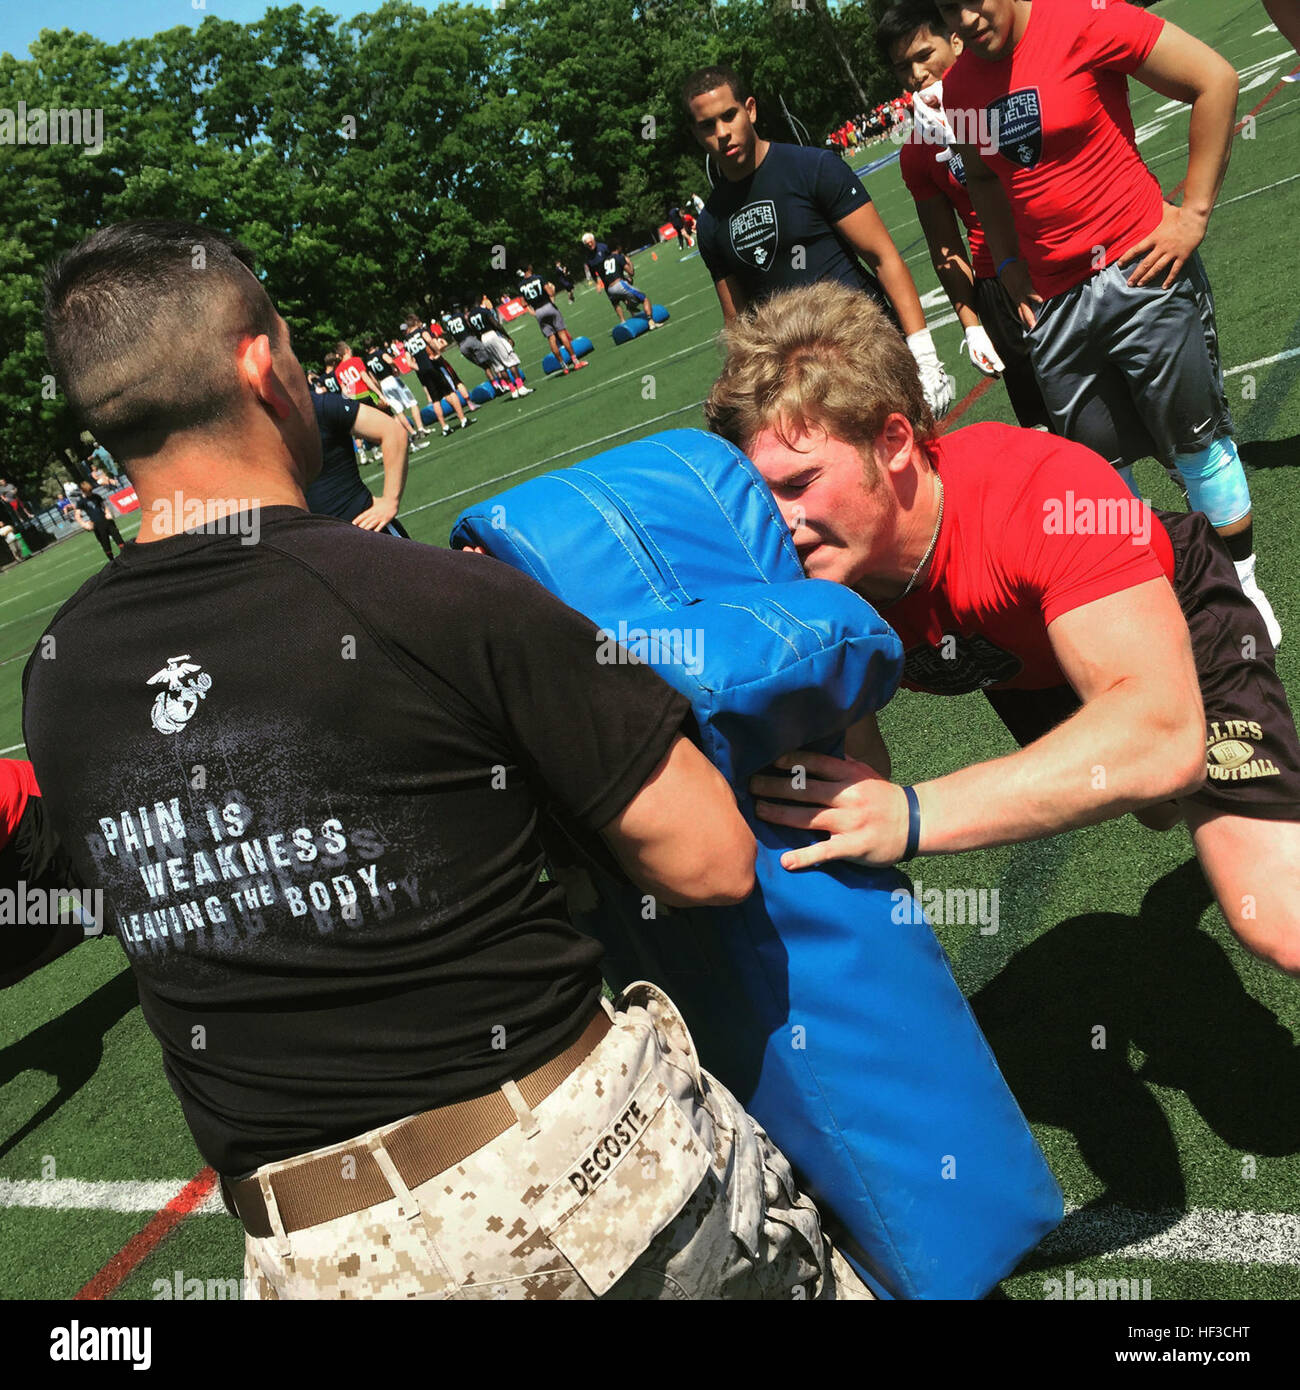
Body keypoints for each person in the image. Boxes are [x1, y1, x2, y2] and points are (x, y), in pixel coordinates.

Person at [29, 218, 870, 1302]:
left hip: (312, 1255)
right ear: (259, 364)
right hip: (569, 1183)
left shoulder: (57, 673)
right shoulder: (428, 596)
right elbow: (705, 858)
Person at [704, 283, 1300, 980]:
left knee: (1273, 910)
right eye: (758, 492)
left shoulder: (1043, 495)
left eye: (799, 483)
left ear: (895, 440)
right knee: (1156, 808)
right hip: (1020, 660)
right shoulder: (824, 569)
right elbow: (859, 770)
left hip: (1158, 621)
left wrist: (913, 816)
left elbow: (1161, 739)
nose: (776, 520)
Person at [938, 0, 1281, 645]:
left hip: (1141, 270)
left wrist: (1193, 213)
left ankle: (1243, 591)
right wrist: (1007, 260)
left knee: (1197, 445)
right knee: (1099, 480)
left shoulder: (1083, 18)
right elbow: (982, 178)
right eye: (943, 9)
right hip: (1055, 308)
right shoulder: (958, 88)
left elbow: (1216, 80)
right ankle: (1158, 609)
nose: (963, 18)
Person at [682, 64, 955, 418]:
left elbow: (884, 258)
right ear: (696, 133)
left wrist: (924, 356)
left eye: (729, 116)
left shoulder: (814, 168)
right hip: (800, 386)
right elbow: (738, 324)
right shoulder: (711, 222)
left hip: (866, 354)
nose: (722, 132)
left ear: (749, 109)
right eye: (707, 125)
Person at [879, 0, 1051, 429]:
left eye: (924, 56)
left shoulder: (1009, 86)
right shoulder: (917, 151)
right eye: (903, 67)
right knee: (1050, 428)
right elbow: (945, 246)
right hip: (1001, 287)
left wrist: (965, 130)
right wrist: (972, 324)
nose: (916, 74)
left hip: (1056, 250)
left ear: (955, 40)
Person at [309, 383, 411, 537]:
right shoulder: (261, 435)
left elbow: (393, 432)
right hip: (315, 547)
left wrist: (390, 501)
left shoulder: (317, 406)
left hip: (367, 532)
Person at [401, 319, 472, 435]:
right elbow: (430, 341)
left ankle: (444, 427)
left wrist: (420, 367)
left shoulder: (406, 342)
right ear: (414, 324)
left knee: (435, 399)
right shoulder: (421, 332)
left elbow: (409, 363)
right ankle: (463, 419)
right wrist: (437, 352)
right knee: (449, 391)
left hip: (423, 371)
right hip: (433, 366)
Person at [518, 264, 588, 373]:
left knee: (551, 339)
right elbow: (550, 292)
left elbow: (523, 304)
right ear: (529, 268)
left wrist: (533, 311)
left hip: (538, 311)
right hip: (548, 306)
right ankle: (575, 362)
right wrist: (552, 288)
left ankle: (563, 366)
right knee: (562, 334)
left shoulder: (521, 285)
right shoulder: (538, 278)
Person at [468, 298, 532, 398]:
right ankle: (520, 387)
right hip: (492, 335)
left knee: (499, 366)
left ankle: (513, 390)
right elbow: (495, 324)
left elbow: (474, 332)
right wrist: (507, 336)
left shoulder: (470, 316)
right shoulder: (484, 310)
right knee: (510, 361)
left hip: (483, 338)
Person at [365, 342, 428, 440]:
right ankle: (420, 429)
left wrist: (380, 389)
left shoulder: (367, 361)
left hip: (383, 384)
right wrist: (396, 368)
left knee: (398, 410)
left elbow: (373, 379)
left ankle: (413, 432)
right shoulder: (380, 353)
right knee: (412, 402)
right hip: (392, 380)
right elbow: (390, 360)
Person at [594, 246, 660, 329]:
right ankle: (651, 322)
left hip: (610, 289)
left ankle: (630, 305)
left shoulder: (605, 260)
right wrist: (630, 263)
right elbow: (631, 272)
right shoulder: (619, 257)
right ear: (618, 247)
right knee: (645, 299)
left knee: (629, 295)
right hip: (619, 285)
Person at [71, 478, 126, 560]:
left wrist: (107, 513)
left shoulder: (96, 496)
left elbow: (104, 506)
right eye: (88, 491)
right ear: (83, 491)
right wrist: (84, 524)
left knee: (118, 538)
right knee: (105, 544)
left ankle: (126, 554)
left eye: (90, 491)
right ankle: (112, 561)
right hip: (97, 525)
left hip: (107, 521)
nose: (90, 493)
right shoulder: (81, 502)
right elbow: (77, 516)